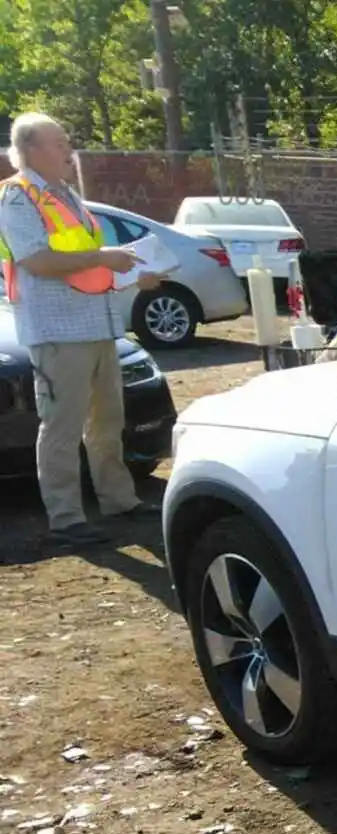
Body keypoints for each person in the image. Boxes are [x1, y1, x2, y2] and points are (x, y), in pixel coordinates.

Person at [0, 113, 163, 548]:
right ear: (32, 149)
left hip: (97, 326)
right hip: (57, 332)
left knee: (107, 421)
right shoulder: (18, 198)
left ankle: (118, 499)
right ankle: (66, 518)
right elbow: (36, 259)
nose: (68, 149)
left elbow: (87, 264)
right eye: (58, 142)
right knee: (62, 426)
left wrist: (129, 275)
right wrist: (103, 258)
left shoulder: (67, 194)